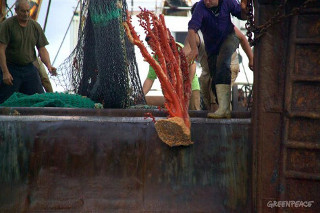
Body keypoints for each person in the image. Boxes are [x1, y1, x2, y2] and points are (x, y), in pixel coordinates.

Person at [186, 0, 248, 118]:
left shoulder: (228, 2)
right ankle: (224, 110)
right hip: (212, 49)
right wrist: (194, 50)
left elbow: (243, 17)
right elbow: (191, 29)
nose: (207, 2)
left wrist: (244, 9)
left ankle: (223, 109)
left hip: (229, 38)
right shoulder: (201, 7)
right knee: (215, 81)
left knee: (223, 63)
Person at [0, 0, 56, 104]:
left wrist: (49, 65)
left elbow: (42, 49)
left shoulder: (35, 26)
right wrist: (5, 72)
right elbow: (1, 49)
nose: (26, 14)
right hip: (11, 69)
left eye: (27, 11)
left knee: (40, 99)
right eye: (23, 11)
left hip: (29, 69)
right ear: (16, 11)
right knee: (4, 101)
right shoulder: (7, 25)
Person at [142, 38, 201, 110]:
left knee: (194, 112)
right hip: (171, 92)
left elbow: (192, 66)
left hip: (191, 88)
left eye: (153, 44)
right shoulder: (155, 58)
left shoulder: (177, 48)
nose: (152, 48)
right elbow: (150, 79)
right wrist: (141, 96)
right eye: (150, 45)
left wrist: (187, 86)